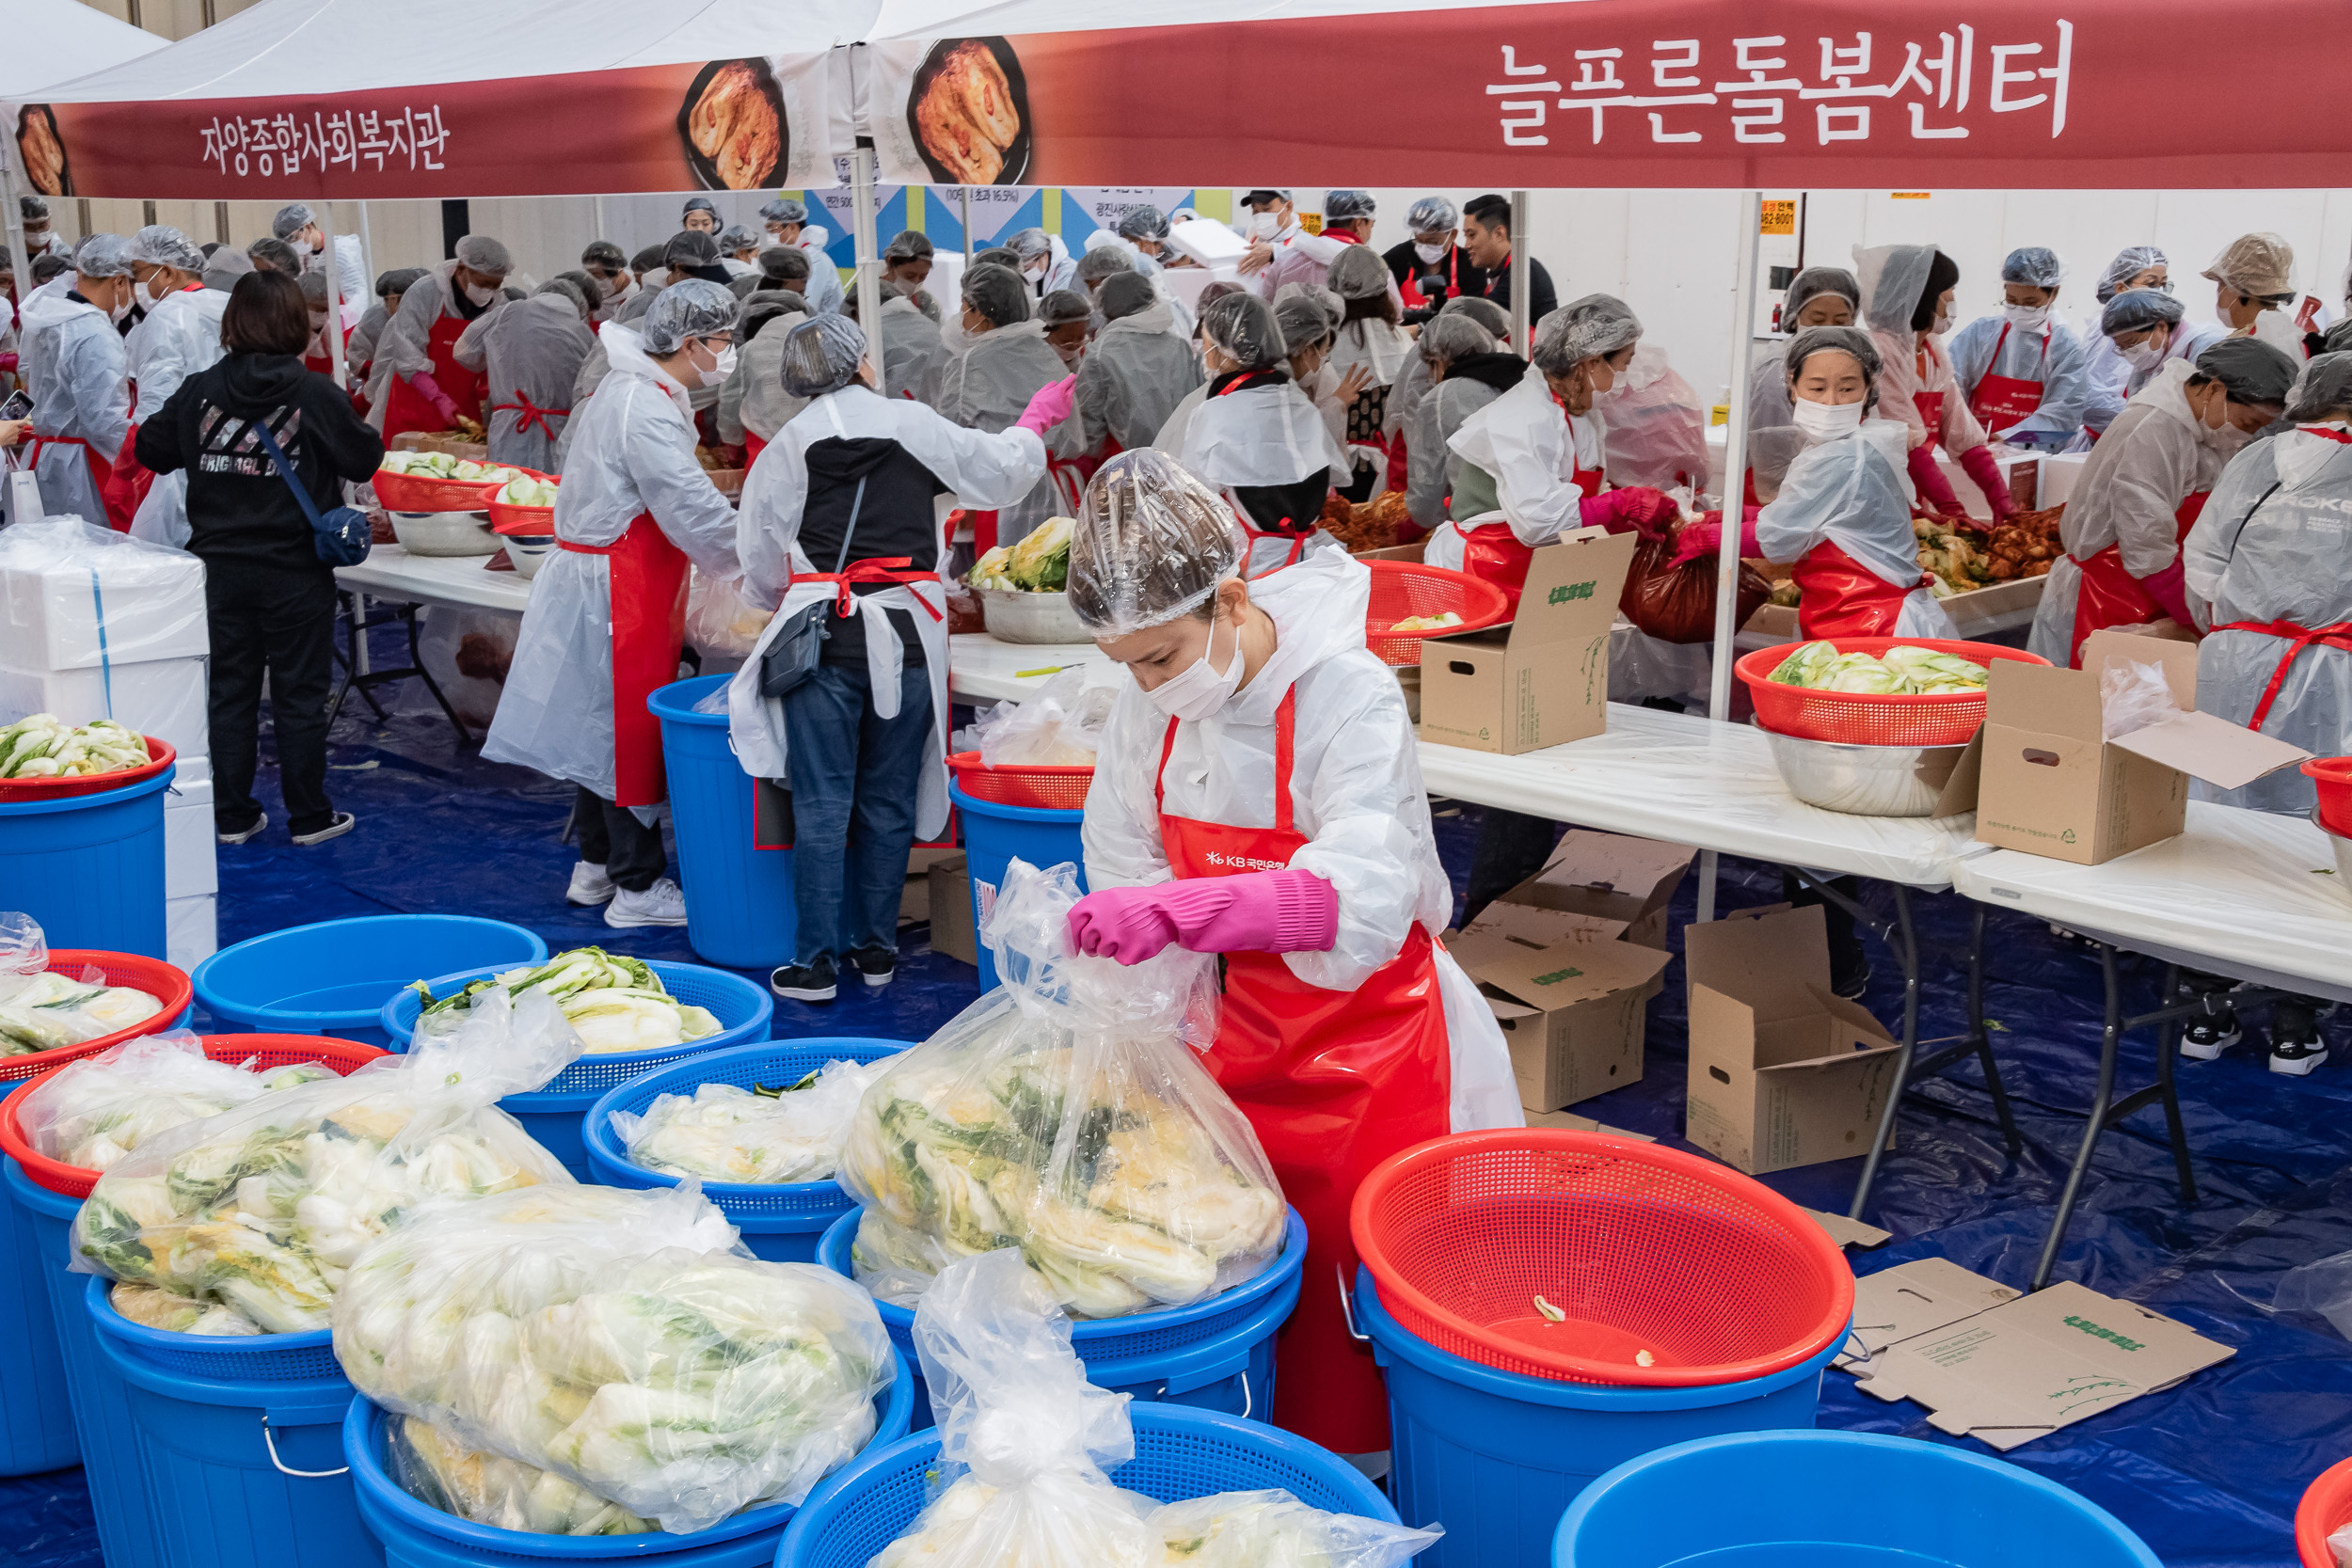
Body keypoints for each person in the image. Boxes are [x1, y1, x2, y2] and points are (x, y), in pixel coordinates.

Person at [1063, 449, 1519, 1459]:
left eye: (1159, 656)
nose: (1144, 684)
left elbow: (1362, 895)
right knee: (1242, 1280)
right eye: (1125, 665)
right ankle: (1264, 1463)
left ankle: (1375, 1484)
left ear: (1229, 599)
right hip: (1228, 1044)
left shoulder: (1343, 693)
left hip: (1373, 1053)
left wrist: (1187, 910)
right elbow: (1122, 850)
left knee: (1363, 1310)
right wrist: (1127, 961)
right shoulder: (1154, 706)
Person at [729, 316, 1073, 1000]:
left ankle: (814, 965)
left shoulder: (787, 444)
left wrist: (794, 589)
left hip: (819, 639)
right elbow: (1002, 473)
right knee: (887, 796)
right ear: (862, 363)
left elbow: (760, 560)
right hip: (909, 638)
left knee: (822, 802)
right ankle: (879, 950)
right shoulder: (914, 424)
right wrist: (1035, 422)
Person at [483, 281, 746, 927]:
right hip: (618, 584)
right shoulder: (643, 406)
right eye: (723, 340)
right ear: (691, 343)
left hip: (608, 574)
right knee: (626, 733)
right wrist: (758, 558)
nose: (728, 350)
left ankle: (596, 866)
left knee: (597, 727)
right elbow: (687, 502)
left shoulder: (631, 390)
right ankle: (638, 886)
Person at [136, 270, 381, 847]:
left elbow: (151, 447)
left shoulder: (199, 390)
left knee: (230, 691)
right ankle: (309, 817)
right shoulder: (315, 393)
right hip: (296, 571)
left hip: (217, 569)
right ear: (299, 323)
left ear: (232, 323)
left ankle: (232, 816)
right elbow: (365, 458)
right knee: (299, 695)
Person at [2174, 351, 2352, 1073]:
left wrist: (2235, 628)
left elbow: (2203, 563)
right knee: (2313, 839)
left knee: (2220, 820)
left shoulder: (2258, 458)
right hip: (2334, 670)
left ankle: (2204, 1005)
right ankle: (2293, 1017)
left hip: (2236, 662)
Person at [2025, 337, 2295, 667]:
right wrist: (2201, 619)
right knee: (2095, 703)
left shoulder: (2209, 432)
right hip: (2106, 594)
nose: (2247, 435)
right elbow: (2146, 547)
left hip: (2159, 588)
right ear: (2214, 390)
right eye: (2248, 423)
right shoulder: (2153, 429)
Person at [1429, 296, 1677, 604]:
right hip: (1485, 568)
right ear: (1593, 362)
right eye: (1624, 364)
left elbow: (1574, 496)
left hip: (1532, 568)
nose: (1624, 379)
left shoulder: (1581, 413)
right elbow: (1539, 522)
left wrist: (1626, 518)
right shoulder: (1526, 416)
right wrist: (1621, 505)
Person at [1171, 292, 1347, 578]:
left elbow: (1197, 501)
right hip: (1314, 563)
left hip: (1250, 566)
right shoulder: (1301, 405)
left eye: (1205, 343)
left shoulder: (1215, 414)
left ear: (1222, 350)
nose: (1203, 353)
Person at [926, 261, 1080, 550]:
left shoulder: (969, 363)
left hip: (999, 492)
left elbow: (949, 439)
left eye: (964, 307)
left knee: (1003, 577)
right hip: (1055, 493)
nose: (960, 315)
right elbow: (1073, 434)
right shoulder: (1046, 353)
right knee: (1051, 571)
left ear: (982, 314)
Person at [1856, 243, 2014, 524]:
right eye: (1948, 292)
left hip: (1917, 489)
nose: (1952, 300)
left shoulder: (1931, 351)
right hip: (1877, 492)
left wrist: (2001, 500)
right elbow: (1903, 440)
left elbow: (1964, 436)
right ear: (1923, 296)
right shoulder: (1881, 350)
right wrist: (1951, 508)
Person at [18, 234, 134, 530]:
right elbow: (105, 421)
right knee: (91, 554)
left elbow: (27, 377)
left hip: (43, 455)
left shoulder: (47, 319)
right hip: (84, 466)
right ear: (119, 281)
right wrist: (139, 458)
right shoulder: (95, 332)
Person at [115, 225, 219, 538]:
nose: (135, 286)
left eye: (138, 274)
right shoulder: (226, 304)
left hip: (180, 458)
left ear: (168, 273)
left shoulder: (166, 316)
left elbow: (155, 402)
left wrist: (125, 469)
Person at [1948, 246, 2092, 451]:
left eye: (2031, 303)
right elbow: (1950, 387)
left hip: (2031, 455)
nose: (2019, 310)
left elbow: (2061, 415)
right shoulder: (1981, 334)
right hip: (1974, 449)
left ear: (2054, 293)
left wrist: (2007, 438)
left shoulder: (2065, 347)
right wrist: (1962, 432)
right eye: (2012, 301)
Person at [452, 277, 596, 470]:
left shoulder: (509, 312)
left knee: (506, 488)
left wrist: (499, 358)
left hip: (509, 427)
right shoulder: (584, 332)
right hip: (560, 431)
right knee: (546, 493)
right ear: (579, 306)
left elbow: (463, 352)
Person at [376, 234, 511, 442]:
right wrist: (438, 398)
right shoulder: (425, 293)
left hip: (462, 412)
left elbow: (498, 360)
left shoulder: (499, 305)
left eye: (495, 285)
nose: (489, 291)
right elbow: (408, 357)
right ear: (461, 269)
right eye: (483, 283)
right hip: (415, 405)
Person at [1402, 303, 1522, 534]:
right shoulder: (1521, 379)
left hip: (1478, 529)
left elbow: (1426, 496)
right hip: (1531, 518)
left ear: (1437, 360)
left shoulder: (1439, 399)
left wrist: (1426, 521)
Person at [1746, 266, 1861, 500]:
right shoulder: (1777, 371)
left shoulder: (1854, 366)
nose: (1829, 329)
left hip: (1831, 491)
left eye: (1841, 321)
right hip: (1779, 495)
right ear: (1794, 319)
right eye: (1817, 319)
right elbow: (1772, 459)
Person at [1320, 245, 1413, 500]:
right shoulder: (1401, 339)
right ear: (1383, 290)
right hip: (1394, 464)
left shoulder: (1325, 347)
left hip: (1339, 469)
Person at [1076, 271, 1202, 455]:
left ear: (1104, 307)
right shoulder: (1178, 344)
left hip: (1133, 461)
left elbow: (1090, 424)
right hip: (1187, 454)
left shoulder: (1100, 353)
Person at [2092, 289, 2228, 436]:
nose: (2128, 353)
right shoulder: (2149, 363)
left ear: (2162, 327)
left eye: (2132, 343)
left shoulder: (2207, 348)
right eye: (2121, 348)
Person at [2080, 245, 2176, 436]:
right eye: (2151, 284)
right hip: (2112, 434)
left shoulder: (2151, 325)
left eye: (2163, 284)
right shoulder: (2109, 328)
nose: (2160, 291)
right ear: (2122, 288)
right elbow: (2091, 397)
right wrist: (2138, 421)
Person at [716, 287, 811, 467]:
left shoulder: (748, 352)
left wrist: (733, 451)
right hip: (814, 446)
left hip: (762, 446)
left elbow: (730, 403)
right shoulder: (816, 346)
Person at [1385, 196, 1490, 321]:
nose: (1425, 247)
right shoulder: (1400, 256)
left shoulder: (1471, 263)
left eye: (1433, 242)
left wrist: (1446, 308)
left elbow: (1475, 313)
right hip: (1406, 336)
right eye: (1419, 241)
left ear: (1453, 235)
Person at [1459, 193, 1557, 328]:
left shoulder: (1523, 272)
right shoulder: (1500, 275)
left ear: (1499, 233)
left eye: (1472, 235)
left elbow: (1474, 321)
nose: (1467, 245)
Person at [2205, 232, 2302, 360]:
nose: (2219, 291)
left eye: (2222, 283)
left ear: (2240, 289)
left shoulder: (2249, 350)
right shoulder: (2288, 333)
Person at [271, 202, 365, 307]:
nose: (293, 245)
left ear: (308, 227)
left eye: (294, 238)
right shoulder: (302, 257)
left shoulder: (340, 251)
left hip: (342, 316)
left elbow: (356, 296)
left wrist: (341, 320)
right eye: (288, 243)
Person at [1005, 227, 1075, 298]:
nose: (1024, 275)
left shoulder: (1070, 275)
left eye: (1026, 269)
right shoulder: (1035, 278)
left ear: (1041, 256)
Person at [1039, 289, 1092, 369]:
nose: (1075, 347)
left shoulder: (1087, 353)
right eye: (1066, 341)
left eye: (1081, 337)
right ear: (1046, 332)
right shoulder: (1036, 362)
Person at [759, 197, 829, 256]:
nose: (770, 233)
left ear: (792, 227)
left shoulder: (810, 258)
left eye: (772, 227)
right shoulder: (796, 254)